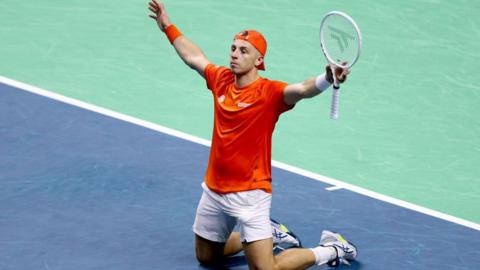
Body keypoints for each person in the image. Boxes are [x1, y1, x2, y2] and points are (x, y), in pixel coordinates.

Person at [148, 1, 357, 269]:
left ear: (259, 60)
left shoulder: (269, 94)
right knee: (206, 257)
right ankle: (272, 235)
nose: (235, 54)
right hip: (214, 189)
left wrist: (326, 78)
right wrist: (167, 26)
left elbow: (302, 90)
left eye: (243, 51)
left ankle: (331, 249)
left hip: (250, 194)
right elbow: (194, 57)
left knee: (265, 268)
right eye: (233, 48)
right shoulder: (221, 79)